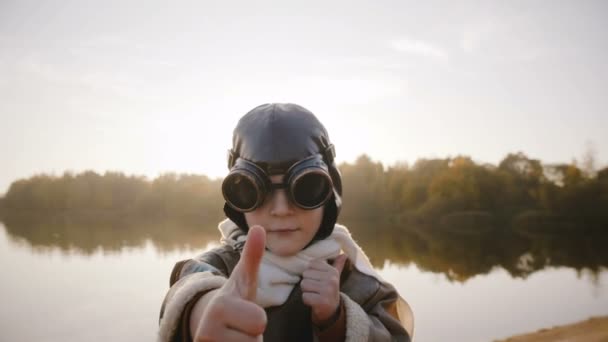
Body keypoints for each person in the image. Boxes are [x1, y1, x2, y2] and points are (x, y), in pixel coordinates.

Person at [158, 103, 414, 341]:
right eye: (257, 190)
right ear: (238, 200)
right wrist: (202, 310)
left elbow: (396, 334)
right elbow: (188, 284)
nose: (280, 209)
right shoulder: (222, 267)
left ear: (329, 193)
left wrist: (338, 318)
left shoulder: (353, 280)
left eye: (307, 187)